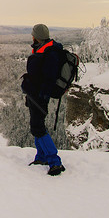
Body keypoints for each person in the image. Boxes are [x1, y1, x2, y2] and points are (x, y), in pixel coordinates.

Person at [21, 23, 66, 176]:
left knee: (38, 127)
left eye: (33, 35)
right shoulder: (44, 49)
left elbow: (49, 77)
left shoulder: (50, 53)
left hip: (39, 96)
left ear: (37, 37)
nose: (32, 37)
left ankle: (54, 162)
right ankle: (41, 157)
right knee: (36, 126)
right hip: (35, 95)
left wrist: (42, 95)